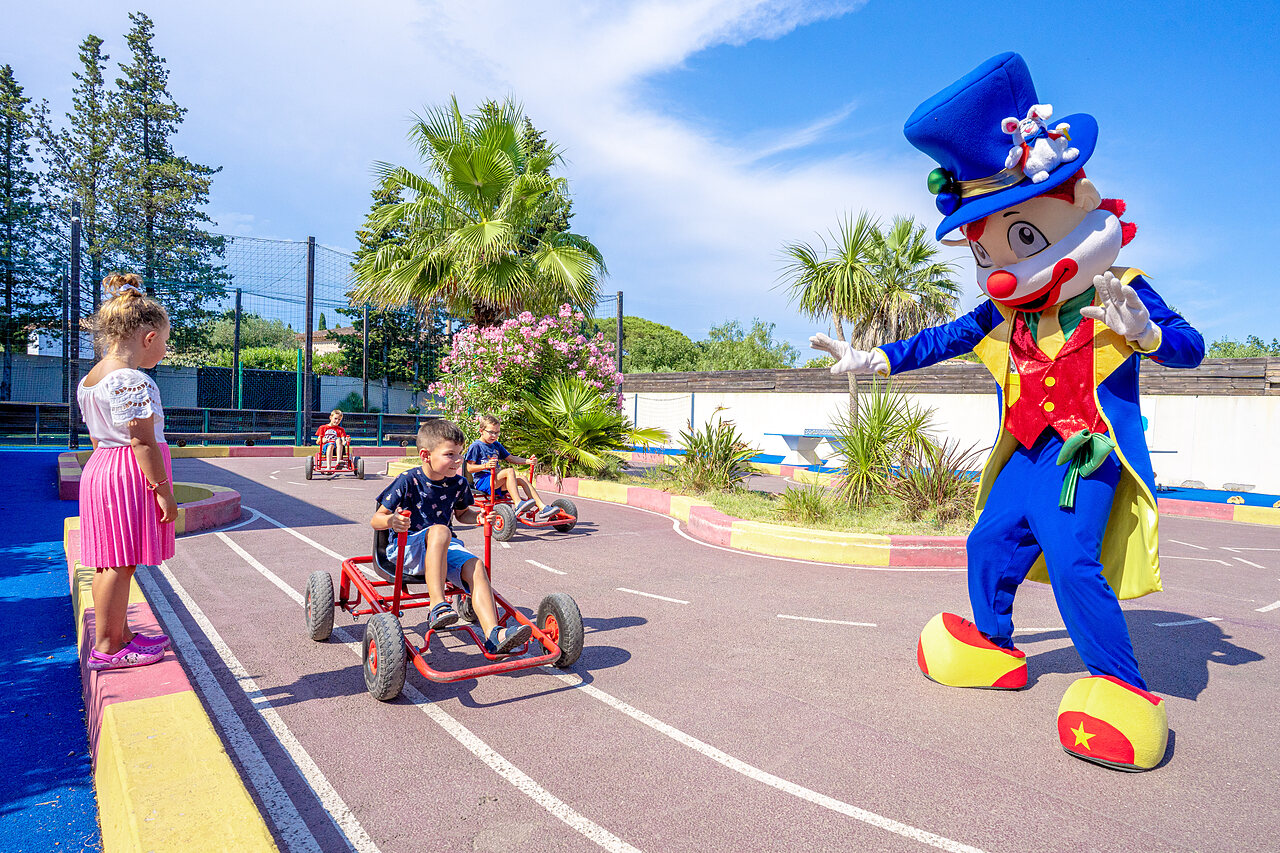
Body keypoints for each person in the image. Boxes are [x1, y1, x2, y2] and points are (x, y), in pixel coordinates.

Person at [811, 52, 1203, 771]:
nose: (997, 265)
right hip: (1026, 451)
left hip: (1083, 453)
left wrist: (1147, 333)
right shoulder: (1002, 313)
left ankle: (1123, 687)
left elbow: (1192, 348)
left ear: (1079, 198)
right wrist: (873, 361)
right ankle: (994, 644)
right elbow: (940, 339)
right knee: (988, 542)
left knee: (1072, 556)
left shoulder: (1124, 290)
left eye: (1018, 237)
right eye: (985, 246)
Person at [76, 273, 176, 671]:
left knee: (110, 562)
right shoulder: (132, 379)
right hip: (127, 472)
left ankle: (117, 635)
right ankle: (109, 647)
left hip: (102, 469)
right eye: (165, 342)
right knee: (121, 563)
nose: (164, 352)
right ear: (148, 338)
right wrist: (162, 490)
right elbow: (142, 442)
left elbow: (99, 439)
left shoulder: (93, 376)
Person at [371, 418, 533, 655]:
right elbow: (376, 520)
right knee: (440, 530)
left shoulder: (458, 483)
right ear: (426, 455)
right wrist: (392, 521)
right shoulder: (408, 480)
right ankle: (437, 604)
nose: (458, 461)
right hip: (407, 549)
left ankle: (494, 634)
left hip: (443, 546)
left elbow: (462, 513)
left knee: (476, 566)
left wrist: (476, 517)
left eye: (459, 454)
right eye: (450, 455)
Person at [464, 414, 556, 519]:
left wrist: (528, 461)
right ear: (481, 431)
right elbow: (469, 468)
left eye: (497, 433)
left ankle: (542, 507)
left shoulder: (496, 445)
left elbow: (511, 458)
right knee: (509, 471)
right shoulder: (476, 446)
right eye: (491, 432)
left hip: (496, 480)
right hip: (483, 481)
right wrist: (486, 465)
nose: (494, 436)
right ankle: (518, 504)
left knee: (522, 478)